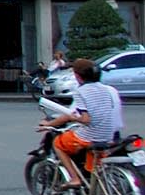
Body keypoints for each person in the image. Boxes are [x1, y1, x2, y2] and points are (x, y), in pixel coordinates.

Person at [50, 56, 125, 187]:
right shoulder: (108, 89)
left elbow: (85, 119)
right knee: (94, 163)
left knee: (58, 143)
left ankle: (74, 178)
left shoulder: (81, 91)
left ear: (78, 76)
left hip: (90, 136)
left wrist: (73, 118)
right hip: (108, 135)